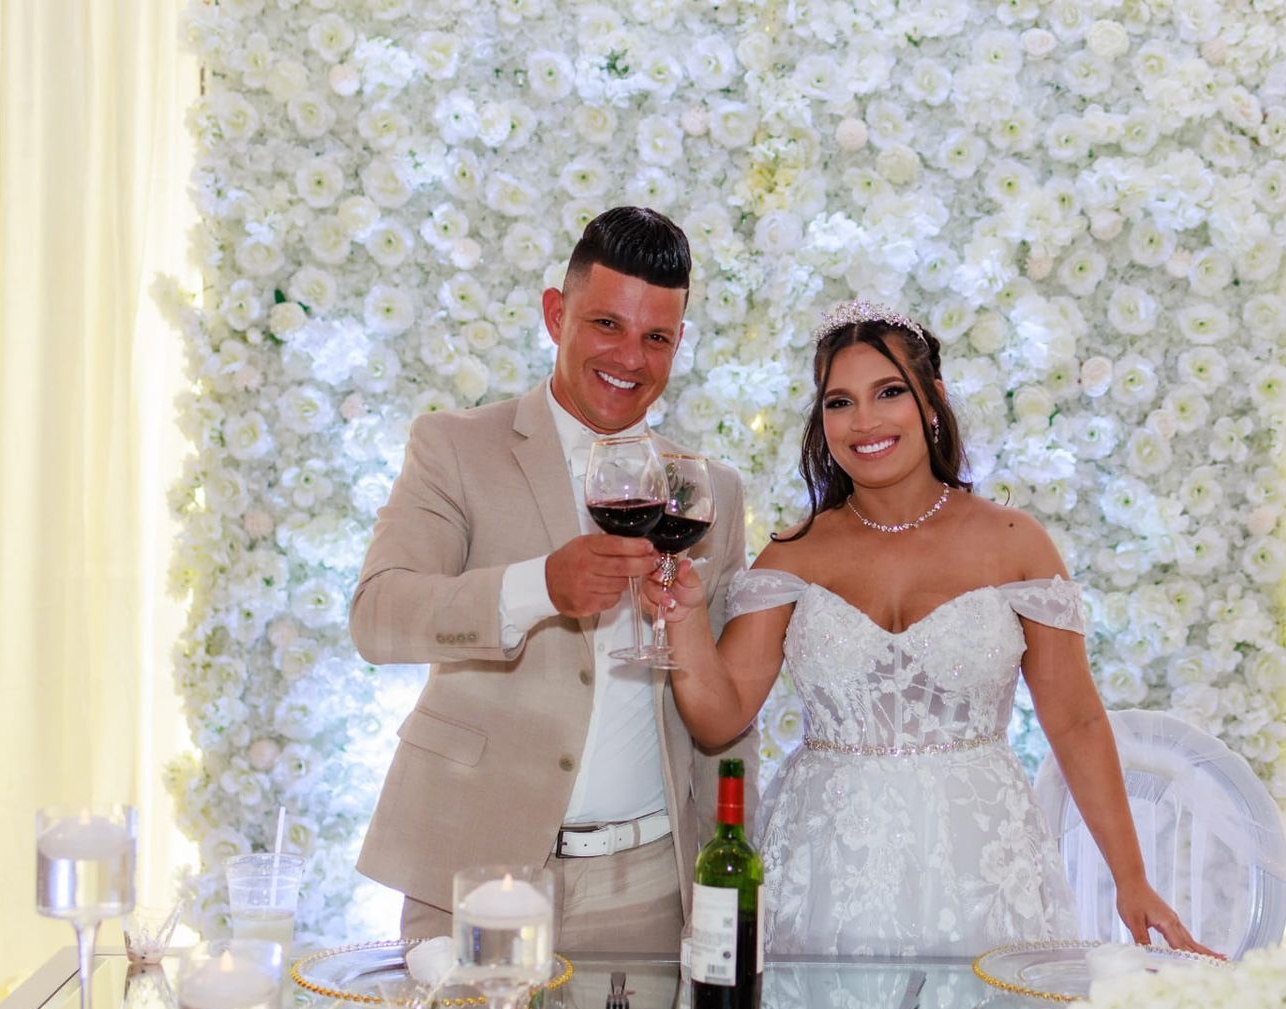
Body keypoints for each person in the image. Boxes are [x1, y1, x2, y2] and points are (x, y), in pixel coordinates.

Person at [644, 300, 1207, 957]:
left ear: (932, 400)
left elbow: (1077, 721)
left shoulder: (1015, 543)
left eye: (889, 392)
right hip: (826, 869)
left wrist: (1131, 880)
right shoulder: (793, 556)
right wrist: (684, 616)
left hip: (980, 866)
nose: (865, 421)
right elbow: (719, 717)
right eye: (840, 402)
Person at [350, 207, 750, 952]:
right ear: (556, 315)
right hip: (475, 871)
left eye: (656, 337)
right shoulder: (454, 446)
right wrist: (538, 588)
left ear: (678, 343)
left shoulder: (708, 492)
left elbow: (726, 717)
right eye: (607, 324)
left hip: (650, 890)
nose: (630, 357)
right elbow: (378, 615)